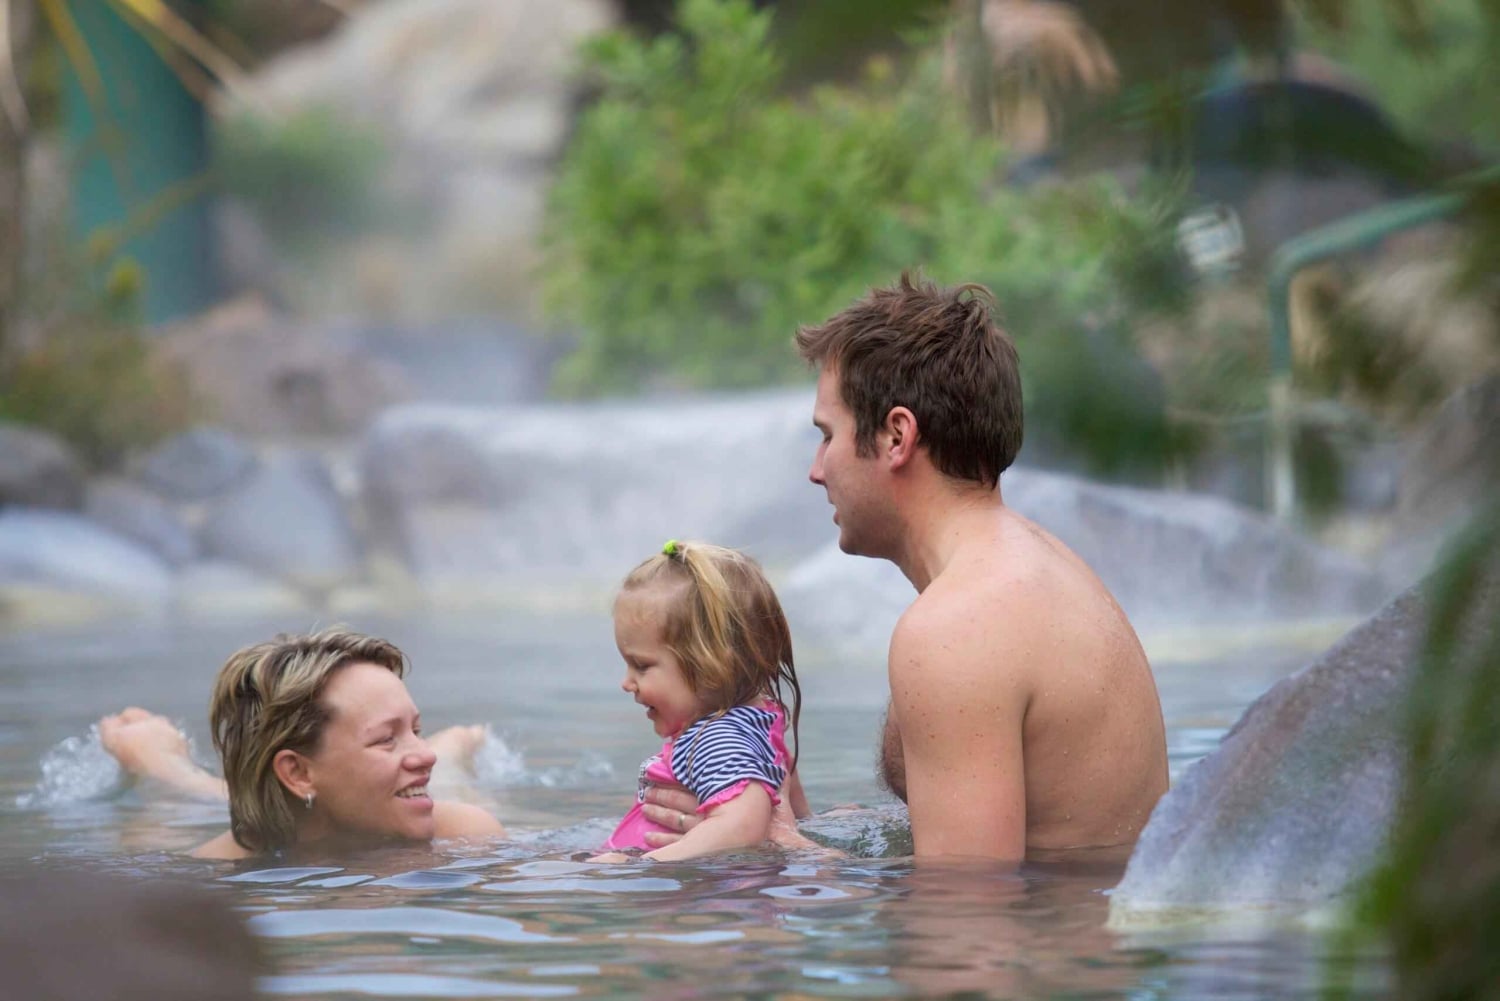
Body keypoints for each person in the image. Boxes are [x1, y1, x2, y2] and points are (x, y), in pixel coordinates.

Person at [644, 273, 1169, 859]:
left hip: (1046, 942)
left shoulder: (959, 629)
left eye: (828, 436)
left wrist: (774, 847)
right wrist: (808, 829)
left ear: (896, 435)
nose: (817, 469)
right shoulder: (1031, 569)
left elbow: (966, 914)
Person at [100, 628, 505, 859]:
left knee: (444, 784)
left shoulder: (465, 834)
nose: (424, 753)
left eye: (415, 730)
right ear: (298, 772)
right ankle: (162, 765)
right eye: (386, 738)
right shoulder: (218, 871)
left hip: (383, 799)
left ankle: (164, 765)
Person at [594, 540, 810, 862]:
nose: (627, 683)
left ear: (712, 665)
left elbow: (743, 827)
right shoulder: (759, 725)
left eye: (641, 665)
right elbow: (801, 823)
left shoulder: (716, 738)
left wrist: (639, 867)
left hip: (689, 898)